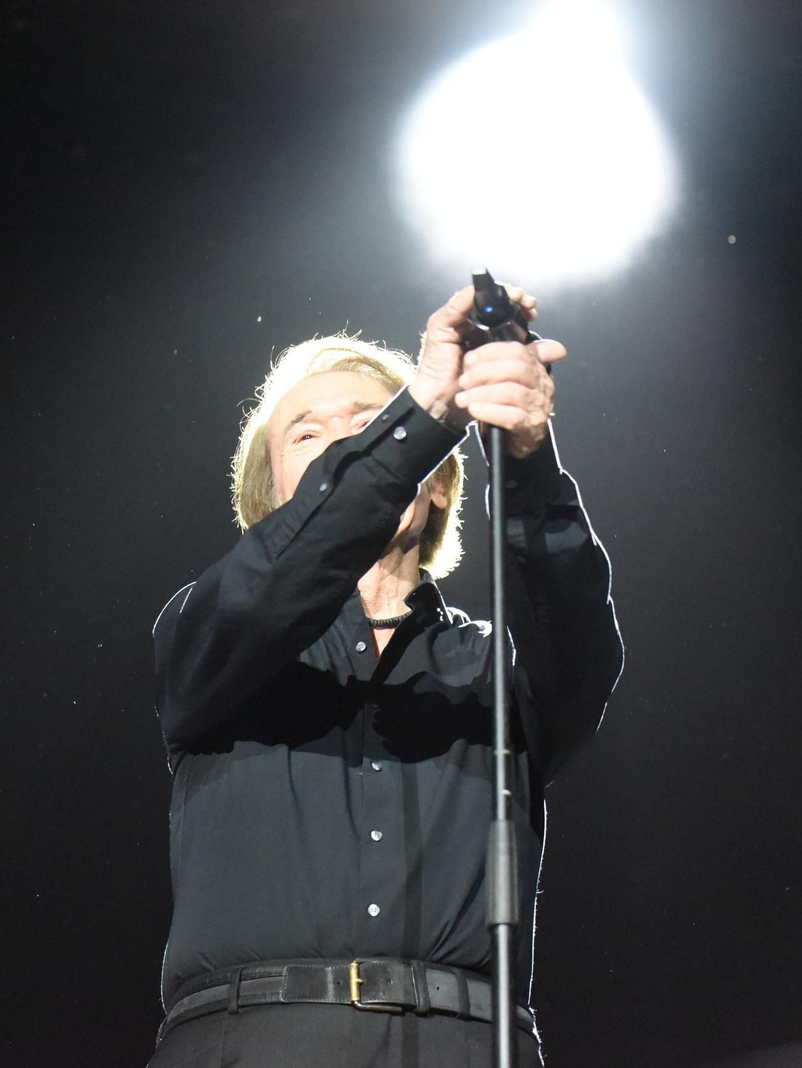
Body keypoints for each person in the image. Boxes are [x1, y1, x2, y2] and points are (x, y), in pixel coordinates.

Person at [148, 285, 623, 1068]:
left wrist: (529, 458)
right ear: (274, 504)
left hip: (466, 1047)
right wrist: (425, 410)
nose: (343, 446)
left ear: (438, 481)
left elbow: (578, 634)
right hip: (254, 1045)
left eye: (368, 424)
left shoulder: (501, 671)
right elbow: (273, 579)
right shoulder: (210, 635)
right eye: (308, 435)